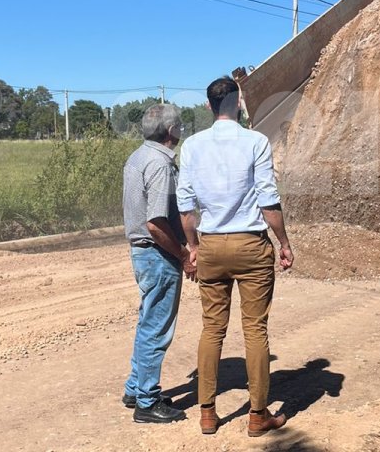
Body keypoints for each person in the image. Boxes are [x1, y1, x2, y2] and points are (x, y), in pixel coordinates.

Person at [177, 76, 295, 437]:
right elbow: (268, 201)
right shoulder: (256, 142)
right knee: (255, 329)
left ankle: (208, 413)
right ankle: (258, 416)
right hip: (250, 245)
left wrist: (194, 247)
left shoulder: (193, 145)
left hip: (211, 245)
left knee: (212, 328)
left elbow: (185, 207)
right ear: (236, 101)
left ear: (211, 106)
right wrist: (284, 241)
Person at [122, 103, 196, 424]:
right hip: (157, 253)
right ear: (171, 132)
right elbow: (155, 222)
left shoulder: (137, 157)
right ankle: (147, 402)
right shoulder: (160, 164)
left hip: (141, 252)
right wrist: (182, 253)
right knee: (156, 327)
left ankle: (136, 388)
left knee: (147, 319)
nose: (181, 130)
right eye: (180, 125)